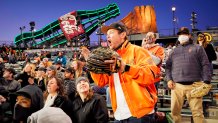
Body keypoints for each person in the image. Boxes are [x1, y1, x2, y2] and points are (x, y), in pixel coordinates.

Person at [81, 22, 159, 122]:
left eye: (111, 32)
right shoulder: (110, 57)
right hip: (119, 115)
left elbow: (150, 76)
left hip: (141, 114)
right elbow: (101, 81)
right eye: (107, 34)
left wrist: (125, 68)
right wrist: (91, 63)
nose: (108, 35)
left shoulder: (138, 51)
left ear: (122, 35)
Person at [165, 27, 211, 123]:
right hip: (177, 86)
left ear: (189, 35)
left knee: (197, 113)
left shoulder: (198, 48)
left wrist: (206, 80)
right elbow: (168, 67)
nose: (182, 36)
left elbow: (205, 64)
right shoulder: (174, 51)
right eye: (180, 34)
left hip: (195, 85)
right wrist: (169, 79)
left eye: (185, 34)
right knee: (174, 111)